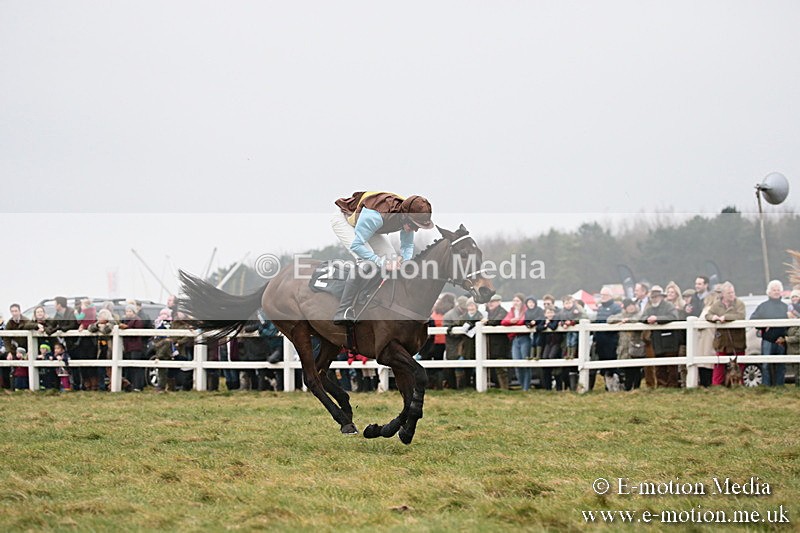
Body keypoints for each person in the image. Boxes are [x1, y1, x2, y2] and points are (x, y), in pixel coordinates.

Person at [331, 192, 434, 324]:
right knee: (367, 263)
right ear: (404, 217)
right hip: (344, 220)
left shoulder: (407, 214)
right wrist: (382, 263)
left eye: (418, 227)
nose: (415, 230)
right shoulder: (375, 217)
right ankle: (343, 310)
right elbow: (357, 246)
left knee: (392, 258)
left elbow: (407, 246)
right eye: (414, 226)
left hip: (368, 226)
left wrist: (404, 261)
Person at [705, 282, 746, 386]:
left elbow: (741, 316)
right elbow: (707, 315)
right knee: (719, 364)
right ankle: (717, 386)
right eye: (729, 293)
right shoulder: (716, 305)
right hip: (722, 341)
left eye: (732, 292)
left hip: (737, 340)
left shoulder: (739, 304)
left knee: (739, 364)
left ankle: (738, 385)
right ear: (723, 294)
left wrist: (726, 317)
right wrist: (713, 318)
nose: (732, 295)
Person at [750, 280, 789, 386]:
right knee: (766, 365)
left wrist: (785, 337)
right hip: (768, 340)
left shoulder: (785, 307)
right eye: (774, 290)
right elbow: (753, 319)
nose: (776, 292)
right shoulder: (763, 306)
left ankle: (779, 387)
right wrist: (763, 325)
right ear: (769, 292)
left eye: (778, 290)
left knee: (781, 365)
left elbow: (791, 325)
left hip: (781, 340)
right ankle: (766, 386)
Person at [642, 285, 681, 388]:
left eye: (656, 296)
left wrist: (657, 318)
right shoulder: (649, 309)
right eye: (652, 297)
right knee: (659, 365)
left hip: (670, 339)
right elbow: (642, 317)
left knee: (672, 365)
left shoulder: (669, 306)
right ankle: (661, 385)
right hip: (657, 340)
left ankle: (673, 385)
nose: (654, 299)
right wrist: (647, 320)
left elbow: (673, 317)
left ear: (661, 297)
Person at [608, 299, 644, 390]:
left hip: (636, 345)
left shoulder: (639, 314)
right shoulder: (622, 315)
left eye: (632, 305)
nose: (631, 307)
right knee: (627, 369)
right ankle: (627, 387)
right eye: (628, 306)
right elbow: (609, 319)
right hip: (624, 346)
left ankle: (636, 388)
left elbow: (639, 318)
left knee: (636, 368)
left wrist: (628, 320)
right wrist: (621, 319)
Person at [594, 287, 622, 391]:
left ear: (610, 296)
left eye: (604, 295)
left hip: (611, 339)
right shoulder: (600, 309)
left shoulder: (616, 308)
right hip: (600, 340)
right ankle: (607, 385)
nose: (602, 297)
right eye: (601, 295)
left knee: (612, 363)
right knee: (603, 363)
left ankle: (616, 386)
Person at [502, 293, 531, 391]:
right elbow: (504, 322)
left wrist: (515, 321)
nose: (515, 303)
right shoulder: (512, 311)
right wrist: (512, 321)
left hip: (525, 338)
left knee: (525, 363)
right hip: (515, 338)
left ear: (522, 302)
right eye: (514, 300)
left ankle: (526, 388)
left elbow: (523, 321)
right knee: (517, 363)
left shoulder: (526, 311)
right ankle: (522, 386)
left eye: (517, 301)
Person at [483, 294, 510, 390]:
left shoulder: (502, 312)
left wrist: (486, 322)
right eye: (489, 302)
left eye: (492, 302)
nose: (490, 304)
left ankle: (504, 387)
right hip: (492, 344)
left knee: (501, 367)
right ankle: (497, 386)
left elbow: (495, 322)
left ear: (499, 302)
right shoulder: (488, 313)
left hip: (500, 344)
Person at [119, 305, 146, 391]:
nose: (128, 313)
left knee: (136, 367)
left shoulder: (138, 320)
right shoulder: (124, 320)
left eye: (130, 311)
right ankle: (128, 385)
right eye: (127, 311)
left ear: (134, 312)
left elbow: (137, 331)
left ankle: (138, 386)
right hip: (127, 347)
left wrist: (127, 328)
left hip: (136, 346)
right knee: (128, 367)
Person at [443, 295, 468, 389]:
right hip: (453, 344)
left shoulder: (463, 313)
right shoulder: (449, 315)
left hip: (462, 344)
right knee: (455, 364)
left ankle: (461, 385)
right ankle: (456, 386)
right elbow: (447, 331)